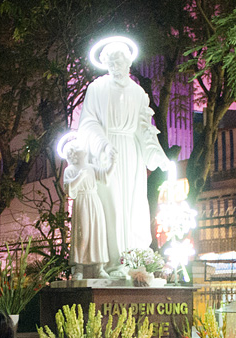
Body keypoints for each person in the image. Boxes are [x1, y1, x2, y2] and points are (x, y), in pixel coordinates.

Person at [78, 38, 172, 277]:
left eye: (118, 59)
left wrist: (156, 153)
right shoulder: (96, 88)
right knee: (111, 207)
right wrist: (103, 145)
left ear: (128, 61)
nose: (115, 64)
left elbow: (144, 127)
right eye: (110, 60)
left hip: (132, 154)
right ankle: (112, 262)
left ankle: (135, 260)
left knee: (134, 206)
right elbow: (88, 122)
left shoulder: (139, 93)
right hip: (106, 156)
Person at [62, 138, 110, 280]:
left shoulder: (91, 167)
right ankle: (79, 267)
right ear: (74, 154)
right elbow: (68, 188)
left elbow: (105, 176)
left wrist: (113, 162)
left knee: (98, 233)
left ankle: (99, 267)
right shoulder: (69, 170)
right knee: (82, 234)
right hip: (81, 201)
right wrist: (79, 176)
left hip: (94, 200)